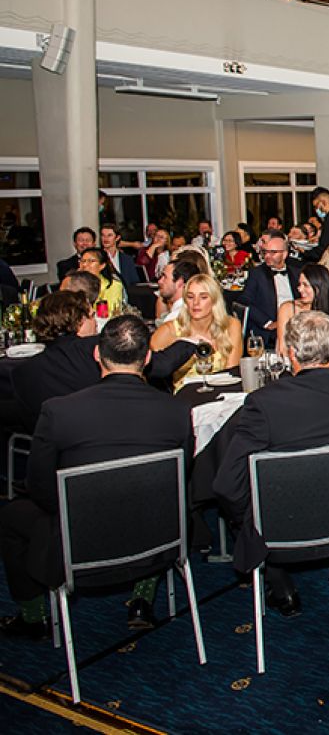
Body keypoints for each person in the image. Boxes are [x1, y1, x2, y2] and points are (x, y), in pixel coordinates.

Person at [0, 316, 194, 638]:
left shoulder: (59, 411)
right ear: (147, 358)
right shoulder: (175, 410)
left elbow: (41, 489)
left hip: (79, 548)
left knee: (10, 517)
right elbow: (180, 476)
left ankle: (33, 617)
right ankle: (143, 594)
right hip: (158, 540)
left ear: (96, 355)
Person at [212, 311, 329, 616]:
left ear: (289, 352)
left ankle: (278, 581)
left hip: (280, 527)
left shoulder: (264, 403)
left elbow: (226, 485)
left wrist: (249, 520)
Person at [10, 292, 100, 433]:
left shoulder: (21, 373)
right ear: (79, 321)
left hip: (55, 448)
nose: (95, 323)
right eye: (92, 316)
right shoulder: (98, 351)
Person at [150, 273, 244, 386]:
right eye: (190, 297)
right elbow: (146, 369)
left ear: (214, 301)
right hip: (185, 397)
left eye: (203, 297)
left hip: (221, 393)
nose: (196, 303)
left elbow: (231, 373)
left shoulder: (231, 325)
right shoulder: (169, 330)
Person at [242, 232, 301, 346]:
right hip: (270, 332)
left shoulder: (297, 272)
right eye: (265, 252)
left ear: (284, 254)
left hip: (296, 326)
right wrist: (267, 323)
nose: (267, 256)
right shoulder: (257, 273)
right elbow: (245, 301)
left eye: (273, 253)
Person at [274, 264, 329, 353]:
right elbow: (283, 348)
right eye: (300, 284)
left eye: (305, 285)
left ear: (320, 287)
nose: (300, 289)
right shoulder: (288, 308)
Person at [155, 256, 201, 325]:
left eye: (165, 277)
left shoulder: (175, 318)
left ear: (179, 282)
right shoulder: (196, 309)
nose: (160, 281)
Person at [78, 247, 124, 315]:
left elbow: (110, 312)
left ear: (102, 265)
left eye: (91, 261)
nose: (84, 265)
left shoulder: (113, 285)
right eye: (83, 261)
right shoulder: (75, 283)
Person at [99, 223, 140, 288]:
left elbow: (134, 282)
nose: (105, 239)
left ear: (117, 238)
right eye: (103, 235)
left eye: (109, 235)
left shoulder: (127, 259)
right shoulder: (97, 257)